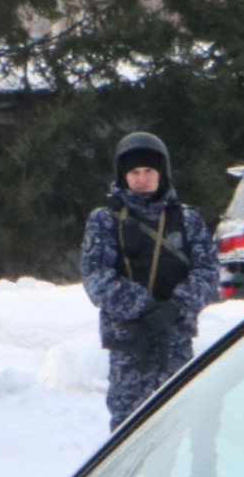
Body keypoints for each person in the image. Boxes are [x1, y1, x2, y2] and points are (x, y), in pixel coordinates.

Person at [82, 131, 219, 430]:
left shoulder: (187, 220)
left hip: (175, 341)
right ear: (123, 176)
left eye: (148, 171)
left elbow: (208, 274)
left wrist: (175, 306)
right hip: (130, 346)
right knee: (129, 430)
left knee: (179, 425)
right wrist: (143, 307)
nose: (142, 179)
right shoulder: (105, 220)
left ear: (161, 172)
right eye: (134, 172)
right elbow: (96, 277)